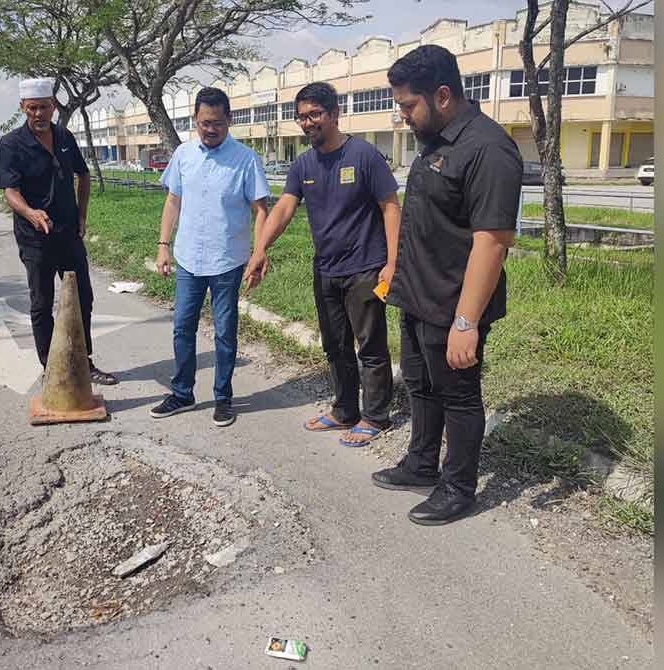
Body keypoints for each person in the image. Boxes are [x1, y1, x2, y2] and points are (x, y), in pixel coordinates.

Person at [371, 45, 522, 525]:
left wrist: (466, 322)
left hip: (454, 302)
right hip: (417, 295)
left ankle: (458, 487)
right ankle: (421, 463)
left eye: (407, 105)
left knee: (458, 394)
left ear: (441, 96)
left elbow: (492, 243)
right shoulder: (434, 140)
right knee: (419, 384)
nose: (403, 116)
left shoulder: (488, 148)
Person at [245, 82, 401, 448]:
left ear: (334, 114)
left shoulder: (364, 155)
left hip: (365, 266)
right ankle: (345, 409)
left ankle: (376, 415)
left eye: (314, 114)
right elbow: (284, 206)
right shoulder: (304, 163)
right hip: (326, 268)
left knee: (371, 345)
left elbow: (390, 207)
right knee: (335, 345)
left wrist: (393, 262)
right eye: (301, 116)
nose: (307, 122)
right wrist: (260, 248)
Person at [149, 87, 270, 427]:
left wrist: (258, 253)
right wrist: (163, 245)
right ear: (195, 121)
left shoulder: (245, 159)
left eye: (217, 123)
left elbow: (261, 208)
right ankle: (183, 393)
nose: (210, 129)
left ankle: (223, 397)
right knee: (182, 327)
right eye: (204, 123)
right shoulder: (184, 155)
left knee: (224, 332)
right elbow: (173, 200)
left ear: (229, 120)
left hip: (227, 261)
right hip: (188, 258)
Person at [0, 77, 117, 385]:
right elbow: (10, 191)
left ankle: (85, 363)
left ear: (53, 107)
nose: (38, 114)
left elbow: (83, 176)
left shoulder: (64, 136)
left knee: (82, 299)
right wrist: (30, 213)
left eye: (44, 107)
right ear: (23, 108)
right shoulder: (11, 144)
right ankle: (51, 368)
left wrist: (82, 216)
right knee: (41, 303)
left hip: (68, 235)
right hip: (35, 239)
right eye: (32, 108)